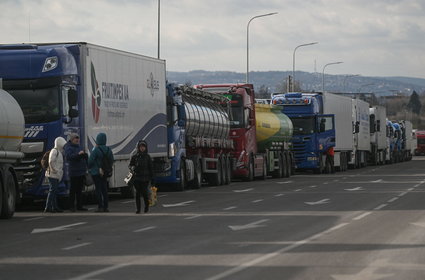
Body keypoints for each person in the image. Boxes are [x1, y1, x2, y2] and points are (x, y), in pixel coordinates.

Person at [88, 133, 114, 212]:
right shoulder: (109, 150)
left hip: (96, 172)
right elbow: (111, 160)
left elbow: (90, 161)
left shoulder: (96, 150)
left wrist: (90, 167)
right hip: (105, 172)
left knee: (98, 189)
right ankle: (106, 207)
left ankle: (100, 206)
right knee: (104, 189)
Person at [64, 133, 88, 212]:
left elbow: (82, 157)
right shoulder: (69, 147)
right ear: (71, 139)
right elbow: (68, 157)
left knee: (79, 190)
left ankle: (79, 206)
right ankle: (71, 206)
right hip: (74, 172)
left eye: (78, 138)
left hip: (81, 171)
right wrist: (78, 155)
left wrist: (85, 156)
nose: (77, 140)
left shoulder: (79, 146)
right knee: (73, 190)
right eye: (75, 138)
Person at [129, 140, 154, 214]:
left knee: (144, 193)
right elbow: (130, 165)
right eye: (141, 147)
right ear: (138, 148)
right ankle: (138, 209)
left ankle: (146, 205)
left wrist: (152, 178)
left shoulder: (147, 157)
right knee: (137, 193)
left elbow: (151, 168)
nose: (142, 148)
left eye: (143, 147)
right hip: (137, 177)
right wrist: (132, 167)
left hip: (145, 178)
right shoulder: (135, 157)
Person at [44, 137, 67, 213]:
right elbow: (51, 161)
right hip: (53, 175)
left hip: (55, 175)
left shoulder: (59, 151)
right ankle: (48, 207)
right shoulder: (54, 151)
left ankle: (54, 207)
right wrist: (54, 170)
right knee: (52, 190)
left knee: (54, 191)